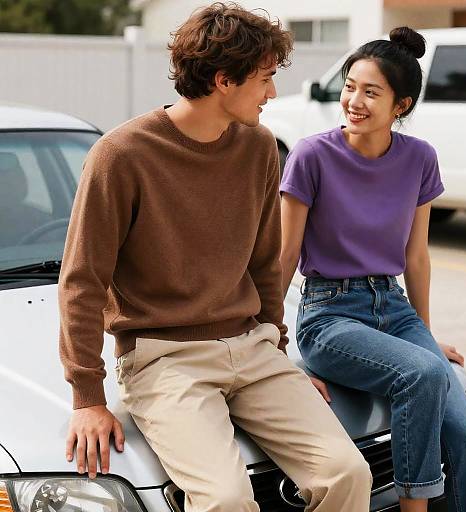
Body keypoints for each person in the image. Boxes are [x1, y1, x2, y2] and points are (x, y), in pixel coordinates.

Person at [58, 3, 372, 511]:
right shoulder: (121, 156)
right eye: (266, 79)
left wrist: (276, 347)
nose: (273, 93)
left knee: (347, 474)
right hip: (164, 361)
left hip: (253, 351)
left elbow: (265, 263)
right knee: (226, 500)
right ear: (224, 81)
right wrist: (87, 397)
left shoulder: (259, 148)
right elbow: (82, 281)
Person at [279, 26, 466, 512]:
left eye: (370, 91)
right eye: (350, 86)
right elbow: (284, 255)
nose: (353, 100)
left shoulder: (420, 159)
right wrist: (272, 343)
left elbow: (416, 255)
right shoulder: (312, 155)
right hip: (328, 315)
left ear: (401, 105)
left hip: (394, 312)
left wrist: (423, 334)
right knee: (420, 374)